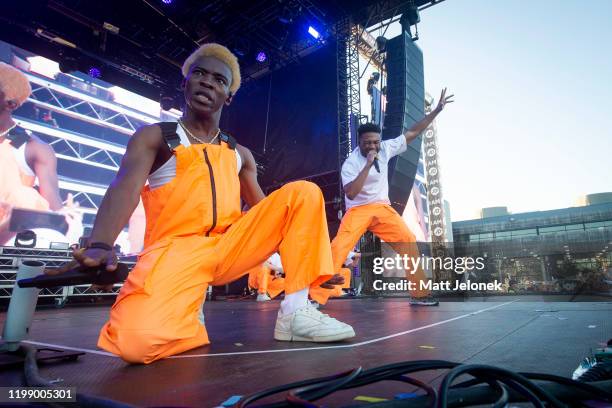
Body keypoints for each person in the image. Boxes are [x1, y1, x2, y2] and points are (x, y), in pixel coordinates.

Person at [48, 43, 355, 364]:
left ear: (229, 96)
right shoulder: (154, 137)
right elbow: (123, 187)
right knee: (134, 344)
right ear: (185, 84)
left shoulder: (240, 153)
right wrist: (100, 244)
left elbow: (272, 212)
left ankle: (295, 314)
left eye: (219, 80)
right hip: (175, 251)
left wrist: (306, 267)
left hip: (228, 246)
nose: (208, 82)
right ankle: (186, 318)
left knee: (302, 192)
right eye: (200, 74)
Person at [322, 89, 454, 306]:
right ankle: (316, 295)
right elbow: (351, 192)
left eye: (375, 142)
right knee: (340, 245)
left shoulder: (386, 148)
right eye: (368, 143)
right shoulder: (351, 163)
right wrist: (367, 165)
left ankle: (419, 294)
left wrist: (437, 111)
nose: (373, 146)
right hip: (358, 209)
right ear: (359, 142)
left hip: (382, 208)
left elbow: (412, 132)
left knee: (408, 241)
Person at [0, 62, 82, 245]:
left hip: (6, 246)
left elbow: (52, 207)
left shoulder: (30, 146)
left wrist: (67, 218)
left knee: (25, 197)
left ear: (10, 103)